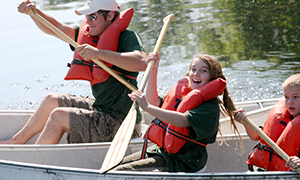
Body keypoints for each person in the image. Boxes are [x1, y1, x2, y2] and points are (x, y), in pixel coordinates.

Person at [0, 0, 147, 144]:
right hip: (101, 109)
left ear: (109, 16)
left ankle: (35, 159)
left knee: (58, 116)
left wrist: (99, 53)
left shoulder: (127, 37)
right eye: (87, 17)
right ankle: (16, 141)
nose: (88, 22)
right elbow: (55, 27)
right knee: (51, 99)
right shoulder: (89, 36)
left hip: (122, 124)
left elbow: (142, 62)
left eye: (93, 17)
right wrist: (34, 12)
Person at [111, 52, 242, 172]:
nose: (196, 73)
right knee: (115, 166)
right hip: (161, 152)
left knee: (120, 172)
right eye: (193, 69)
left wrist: (147, 108)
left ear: (213, 77)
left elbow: (181, 120)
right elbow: (154, 102)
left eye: (203, 71)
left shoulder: (209, 107)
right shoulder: (184, 94)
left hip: (184, 161)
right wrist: (153, 70)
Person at [234, 73, 300, 171]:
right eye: (286, 97)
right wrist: (245, 122)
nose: (290, 102)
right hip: (265, 170)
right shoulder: (283, 115)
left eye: (295, 97)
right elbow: (256, 136)